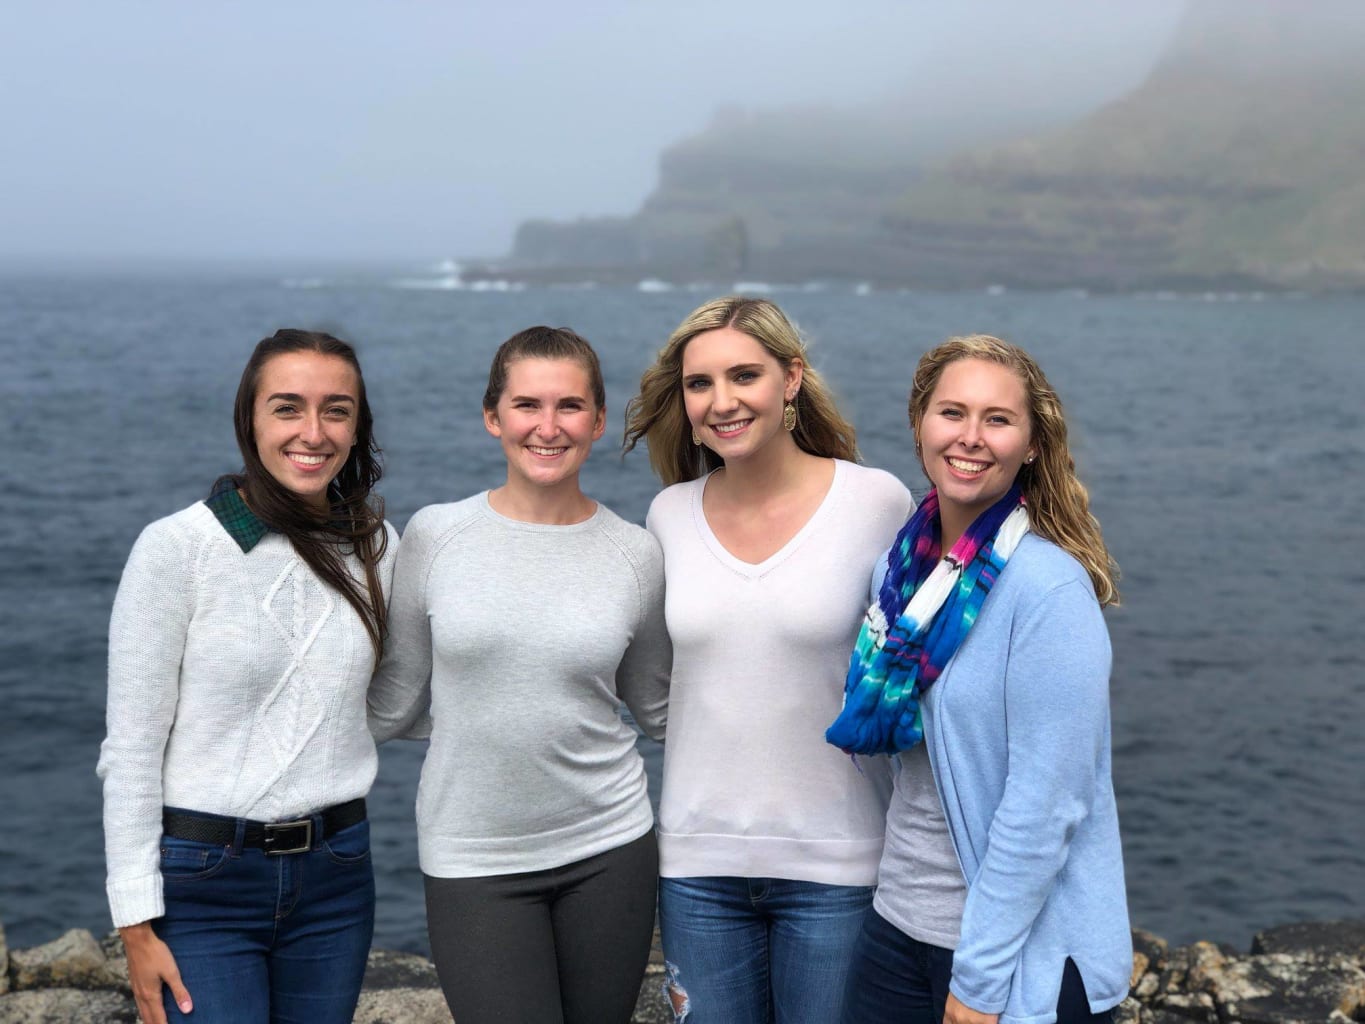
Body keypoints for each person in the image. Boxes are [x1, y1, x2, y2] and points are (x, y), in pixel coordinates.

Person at [367, 326, 670, 1024]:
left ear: (597, 420)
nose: (547, 426)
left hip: (609, 846)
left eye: (569, 406)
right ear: (492, 416)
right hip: (472, 855)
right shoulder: (437, 536)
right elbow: (394, 698)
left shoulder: (635, 553)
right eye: (527, 404)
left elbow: (658, 709)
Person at [623, 296, 913, 1024]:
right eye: (699, 384)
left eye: (743, 376)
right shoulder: (669, 515)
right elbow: (659, 687)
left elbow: (904, 674)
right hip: (696, 869)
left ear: (790, 379)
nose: (720, 402)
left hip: (838, 866)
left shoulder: (875, 501)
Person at [97, 329, 398, 1024]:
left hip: (337, 876)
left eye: (337, 410)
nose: (313, 432)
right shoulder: (178, 549)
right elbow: (134, 747)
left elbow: (390, 702)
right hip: (204, 883)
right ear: (250, 419)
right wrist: (136, 924)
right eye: (287, 408)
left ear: (358, 427)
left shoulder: (377, 550)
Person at [828, 334, 1130, 1024]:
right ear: (918, 425)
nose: (970, 437)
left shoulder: (1045, 591)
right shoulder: (899, 573)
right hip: (896, 927)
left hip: (1013, 958)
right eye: (951, 413)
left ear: (1030, 444)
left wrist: (978, 981)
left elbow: (1044, 804)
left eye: (996, 419)